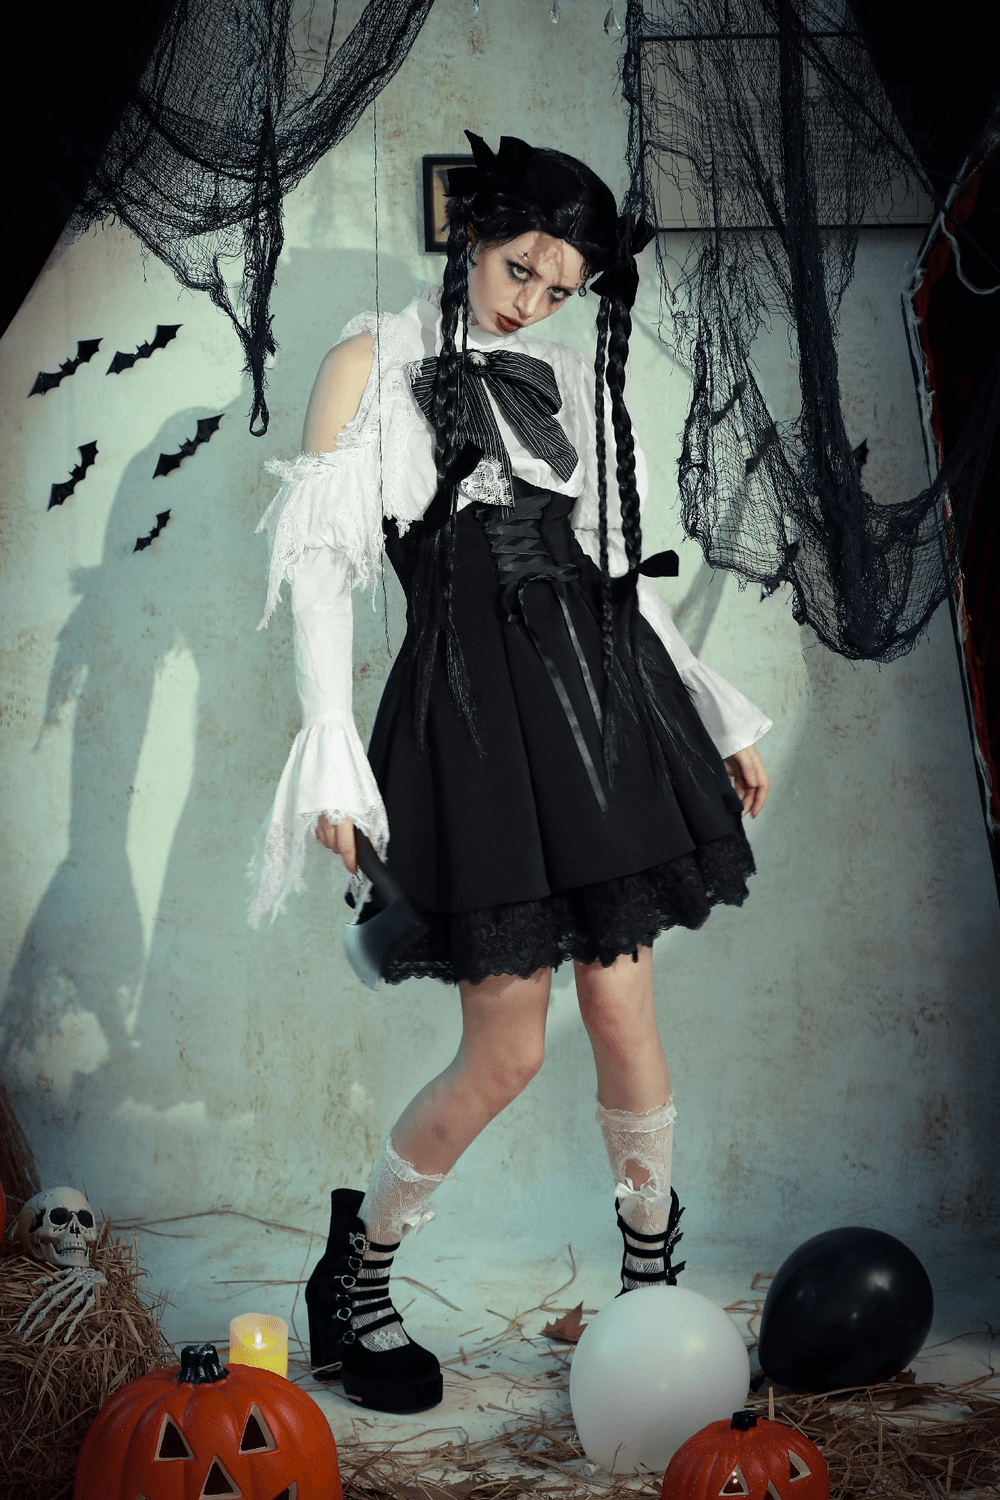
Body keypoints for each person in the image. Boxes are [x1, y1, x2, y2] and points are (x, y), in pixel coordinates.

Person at [250, 133, 771, 1416]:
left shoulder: (554, 374)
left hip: (598, 714)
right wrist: (329, 749)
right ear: (472, 235)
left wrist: (715, 709)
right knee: (507, 1051)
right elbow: (321, 575)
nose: (530, 298)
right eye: (519, 266)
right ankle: (357, 1277)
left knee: (624, 1011)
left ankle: (650, 1289)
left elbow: (611, 576)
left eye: (557, 285)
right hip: (472, 723)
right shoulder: (370, 362)